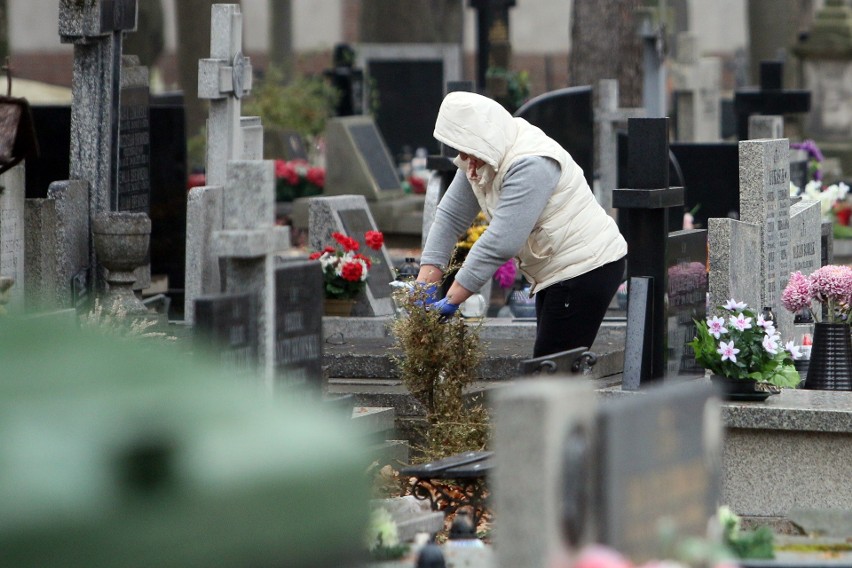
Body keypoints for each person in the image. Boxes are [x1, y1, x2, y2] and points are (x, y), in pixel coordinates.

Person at [416, 91, 627, 357]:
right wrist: (422, 291)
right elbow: (449, 217)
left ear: (479, 136)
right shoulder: (481, 154)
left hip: (586, 269)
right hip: (556, 271)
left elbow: (501, 242)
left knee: (549, 375)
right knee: (553, 371)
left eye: (465, 147)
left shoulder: (530, 163)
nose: (463, 156)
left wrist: (450, 301)